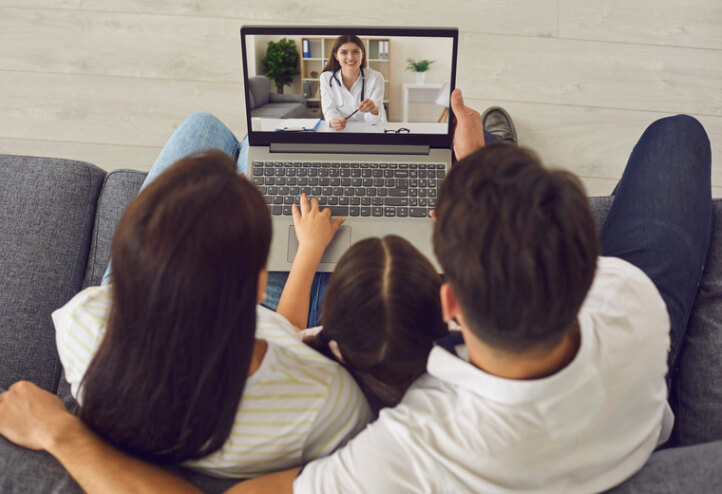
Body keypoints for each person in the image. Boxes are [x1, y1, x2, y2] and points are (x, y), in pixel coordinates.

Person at [0, 89, 712, 493]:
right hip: (627, 422)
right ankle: (497, 170)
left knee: (211, 130)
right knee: (680, 134)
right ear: (582, 265)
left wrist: (62, 431)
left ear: (450, 305)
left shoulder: (401, 454)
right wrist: (490, 171)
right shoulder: (633, 303)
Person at [44, 149, 373, 478]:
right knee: (241, 141)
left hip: (145, 295)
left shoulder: (80, 322)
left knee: (217, 137)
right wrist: (310, 248)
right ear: (257, 286)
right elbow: (286, 334)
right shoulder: (328, 402)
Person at [302, 235, 449, 413]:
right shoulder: (457, 356)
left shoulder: (318, 349)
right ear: (443, 310)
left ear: (332, 313)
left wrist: (309, 247)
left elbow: (289, 327)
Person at [319, 35, 386, 131]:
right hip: (342, 131)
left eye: (355, 52)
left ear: (362, 54)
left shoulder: (376, 78)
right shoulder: (326, 78)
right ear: (336, 55)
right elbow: (329, 110)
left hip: (371, 130)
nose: (350, 57)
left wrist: (374, 109)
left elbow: (373, 121)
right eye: (344, 52)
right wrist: (334, 121)